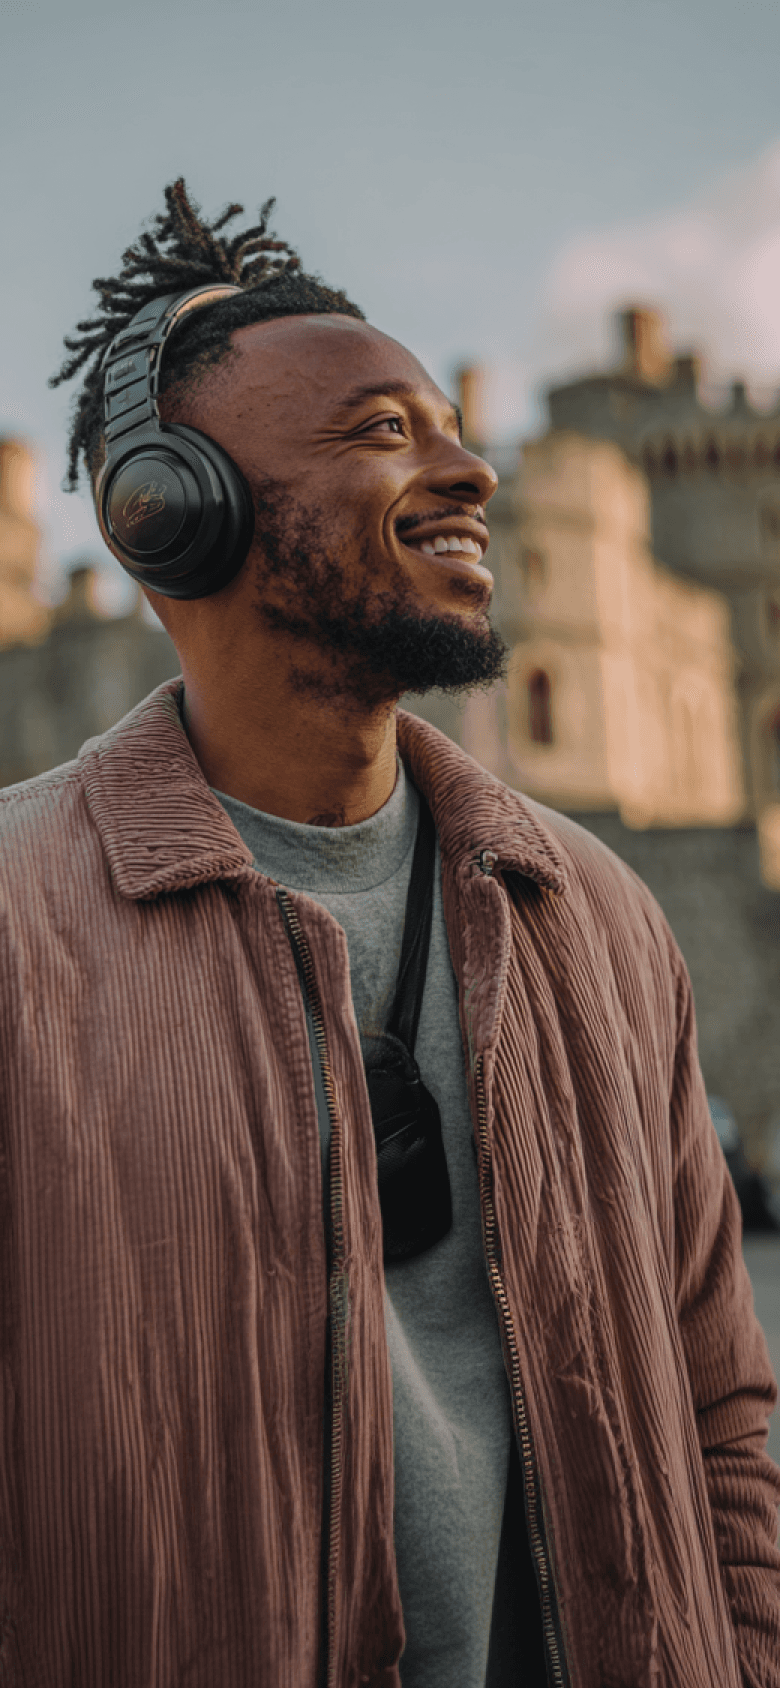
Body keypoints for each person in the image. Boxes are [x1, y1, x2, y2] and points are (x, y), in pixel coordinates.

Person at [1, 177, 776, 1687]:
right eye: (382, 433)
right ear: (172, 514)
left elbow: (718, 1412)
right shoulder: (23, 925)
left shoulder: (603, 917)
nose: (470, 471)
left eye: (453, 427)